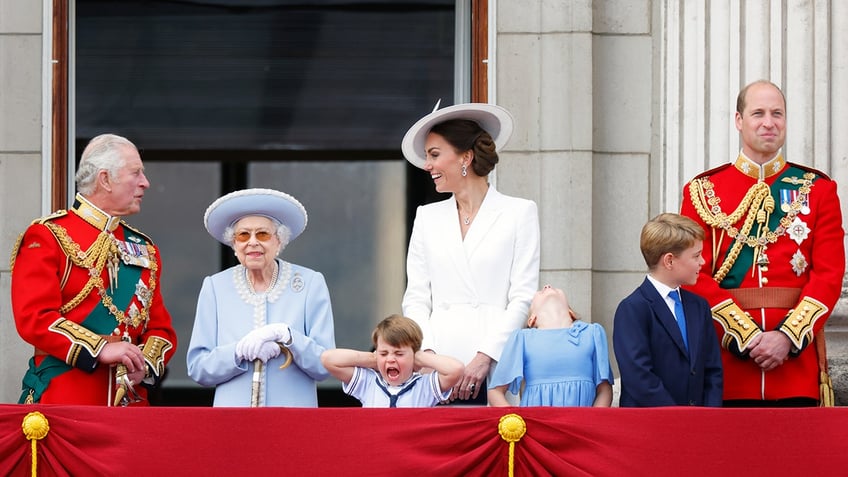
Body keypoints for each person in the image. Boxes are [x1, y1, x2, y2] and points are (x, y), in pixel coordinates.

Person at [680, 80, 845, 407]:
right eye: (758, 113)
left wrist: (787, 337)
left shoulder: (818, 190)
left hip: (794, 368)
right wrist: (746, 336)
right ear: (739, 121)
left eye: (777, 114)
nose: (769, 122)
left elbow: (828, 275)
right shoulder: (702, 190)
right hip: (727, 367)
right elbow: (691, 274)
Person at [10, 133, 177, 406]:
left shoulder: (144, 248)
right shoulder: (49, 236)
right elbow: (34, 318)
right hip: (65, 401)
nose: (145, 183)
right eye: (136, 173)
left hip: (129, 406)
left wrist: (143, 364)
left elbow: (162, 330)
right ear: (105, 179)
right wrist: (100, 349)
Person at [400, 102, 540, 404]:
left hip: (495, 369)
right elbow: (416, 297)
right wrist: (430, 357)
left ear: (466, 156)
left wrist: (485, 357)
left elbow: (523, 297)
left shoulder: (519, 212)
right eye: (427, 156)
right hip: (436, 372)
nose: (427, 166)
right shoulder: (426, 217)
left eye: (434, 155)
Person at [186, 188, 336, 407]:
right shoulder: (215, 287)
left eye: (263, 234)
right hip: (232, 422)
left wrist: (289, 337)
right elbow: (198, 368)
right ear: (234, 245)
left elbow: (325, 366)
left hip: (293, 420)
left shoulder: (310, 283)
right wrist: (237, 352)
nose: (253, 242)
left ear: (279, 241)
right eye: (243, 235)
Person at [613, 213, 723, 407]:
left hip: (699, 425)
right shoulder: (633, 309)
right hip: (651, 425)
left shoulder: (699, 306)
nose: (702, 262)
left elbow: (712, 370)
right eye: (696, 256)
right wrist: (677, 418)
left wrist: (709, 416)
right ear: (669, 261)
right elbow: (639, 377)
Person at [488, 285, 613, 407]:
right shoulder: (522, 338)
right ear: (532, 319)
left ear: (571, 313)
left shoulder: (592, 333)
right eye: (539, 292)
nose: (547, 286)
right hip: (536, 424)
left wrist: (591, 423)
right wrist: (515, 421)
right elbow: (495, 392)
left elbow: (604, 390)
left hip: (580, 424)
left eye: (556, 288)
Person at [321, 314, 463, 407]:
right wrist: (372, 359)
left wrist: (420, 357)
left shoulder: (423, 387)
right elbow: (328, 359)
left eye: (399, 354)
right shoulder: (368, 383)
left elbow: (456, 369)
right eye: (384, 353)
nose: (390, 359)